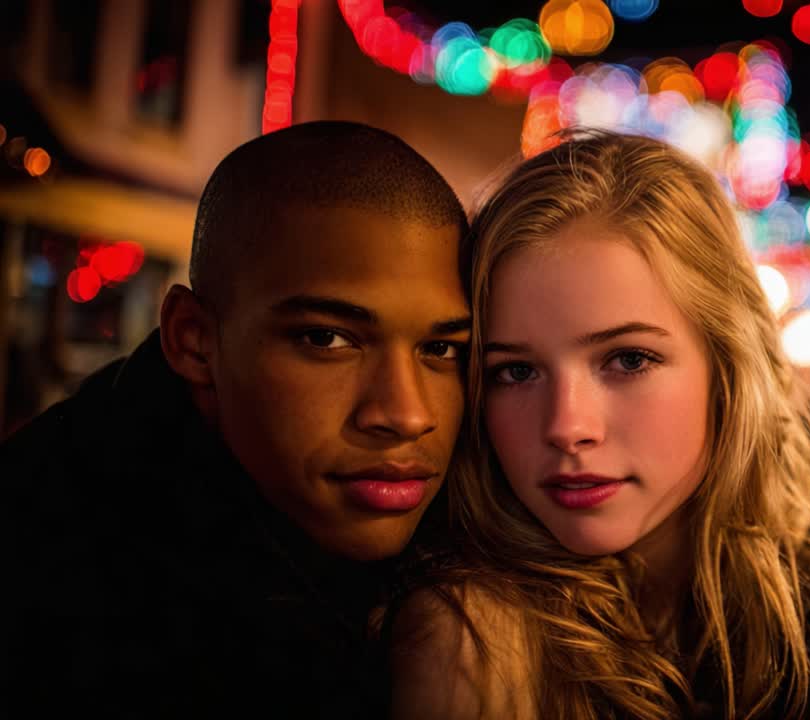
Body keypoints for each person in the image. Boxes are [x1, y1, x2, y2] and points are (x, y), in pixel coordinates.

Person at [387, 130, 810, 719]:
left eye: (628, 360)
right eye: (516, 371)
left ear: (726, 366)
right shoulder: (467, 649)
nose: (567, 427)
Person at [0, 121, 470, 718]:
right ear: (194, 340)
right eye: (327, 339)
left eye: (442, 349)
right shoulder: (42, 585)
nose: (407, 415)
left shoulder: (500, 537)